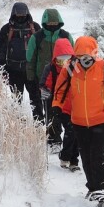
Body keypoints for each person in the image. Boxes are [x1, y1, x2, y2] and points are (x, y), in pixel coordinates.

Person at [52, 36, 104, 207]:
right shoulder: (70, 68)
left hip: (102, 120)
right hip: (79, 121)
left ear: (95, 54)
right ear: (75, 56)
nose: (85, 61)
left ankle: (103, 193)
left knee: (97, 155)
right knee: (86, 156)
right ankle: (93, 188)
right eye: (80, 57)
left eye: (88, 57)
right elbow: (60, 90)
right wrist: (56, 107)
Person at [26, 8, 74, 144]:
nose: (52, 26)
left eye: (55, 23)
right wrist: (30, 78)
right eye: (50, 23)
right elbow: (30, 59)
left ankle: (66, 138)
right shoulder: (37, 37)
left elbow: (74, 56)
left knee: (64, 110)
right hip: (44, 80)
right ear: (44, 22)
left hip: (65, 80)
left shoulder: (66, 36)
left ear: (59, 22)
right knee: (49, 109)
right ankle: (53, 138)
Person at [40, 38, 80, 172]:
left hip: (73, 106)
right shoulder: (50, 68)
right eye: (60, 59)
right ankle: (55, 142)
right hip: (56, 104)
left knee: (73, 132)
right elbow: (44, 83)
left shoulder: (76, 68)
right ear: (55, 58)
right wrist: (45, 91)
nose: (63, 62)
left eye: (67, 58)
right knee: (59, 127)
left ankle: (72, 159)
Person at [0, 2, 41, 119]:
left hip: (31, 71)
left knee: (36, 100)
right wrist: (3, 70)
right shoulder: (6, 29)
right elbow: (0, 51)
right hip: (14, 71)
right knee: (17, 100)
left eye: (22, 14)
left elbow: (41, 49)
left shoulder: (35, 28)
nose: (20, 16)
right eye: (18, 14)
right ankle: (18, 126)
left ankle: (39, 125)